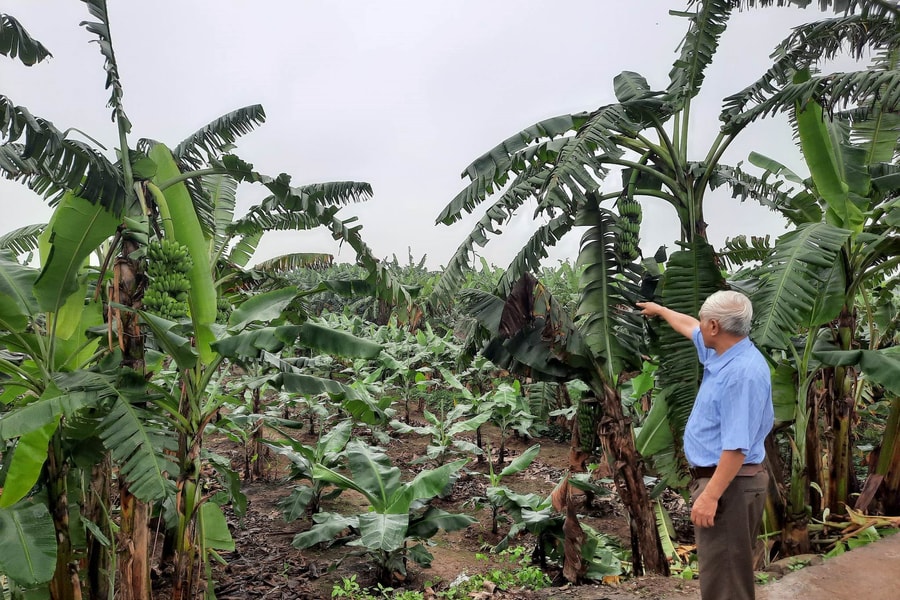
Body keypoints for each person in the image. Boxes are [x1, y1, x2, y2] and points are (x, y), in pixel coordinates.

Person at [637, 290, 773, 600]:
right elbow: (688, 326)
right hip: (729, 482)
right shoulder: (724, 351)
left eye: (704, 320)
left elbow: (736, 448)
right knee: (723, 574)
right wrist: (661, 310)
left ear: (715, 326)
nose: (699, 326)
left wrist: (711, 496)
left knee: (726, 584)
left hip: (730, 485)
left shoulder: (742, 374)